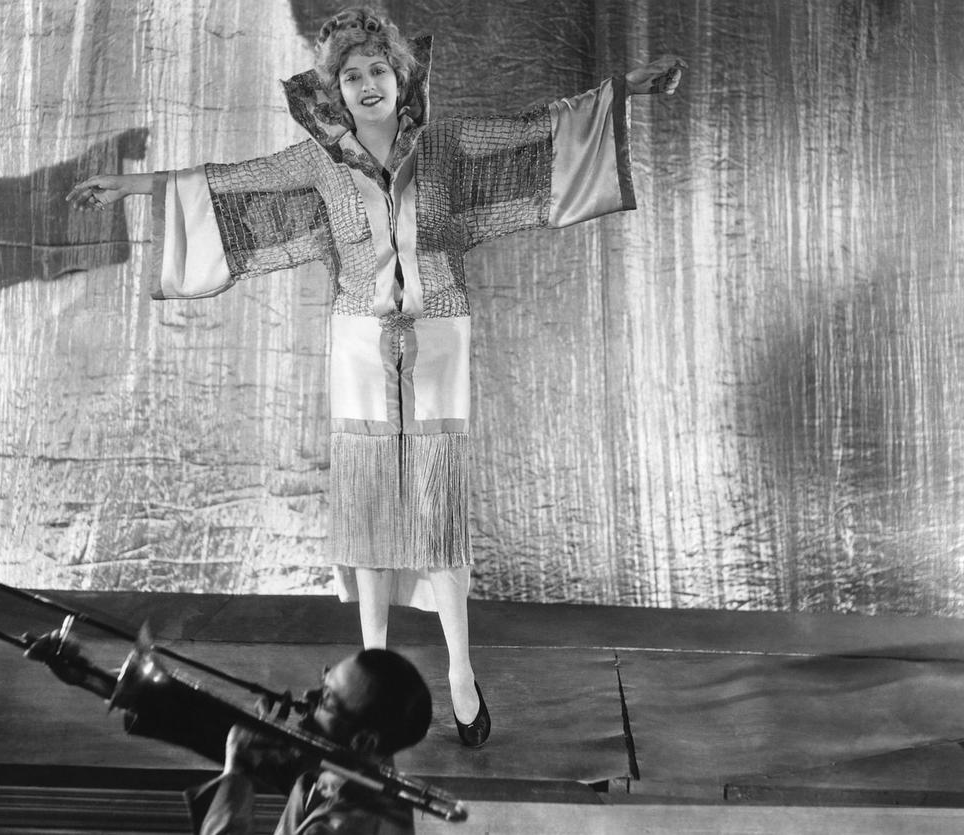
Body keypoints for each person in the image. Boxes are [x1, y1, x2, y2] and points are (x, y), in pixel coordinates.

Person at [67, 6, 684, 748]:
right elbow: (230, 184)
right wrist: (129, 186)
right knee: (367, 513)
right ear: (335, 91)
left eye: (378, 70)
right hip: (359, 342)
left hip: (438, 334)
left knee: (435, 508)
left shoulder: (446, 144)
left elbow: (536, 130)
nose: (367, 84)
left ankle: (461, 671)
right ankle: (372, 673)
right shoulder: (319, 162)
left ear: (401, 77)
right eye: (352, 75)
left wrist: (627, 89)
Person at [185, 648, 432, 835]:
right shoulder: (351, 769)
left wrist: (237, 771)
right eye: (322, 680)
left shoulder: (345, 826)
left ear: (363, 742)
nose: (307, 696)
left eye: (326, 698)